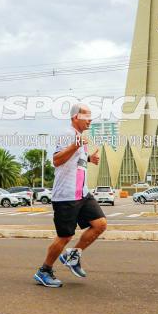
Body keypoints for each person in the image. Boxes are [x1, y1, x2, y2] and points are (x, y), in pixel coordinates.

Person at [34, 104, 106, 288]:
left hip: (82, 193)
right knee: (65, 236)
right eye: (86, 116)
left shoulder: (80, 138)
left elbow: (75, 161)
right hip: (66, 195)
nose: (90, 120)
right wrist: (75, 145)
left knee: (100, 224)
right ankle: (44, 270)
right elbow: (56, 160)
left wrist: (89, 158)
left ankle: (72, 256)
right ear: (76, 117)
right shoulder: (68, 134)